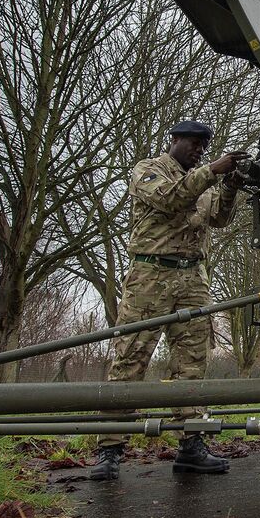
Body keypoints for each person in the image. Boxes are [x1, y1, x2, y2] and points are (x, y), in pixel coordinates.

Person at [90, 120, 248, 481]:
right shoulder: (149, 170)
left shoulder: (202, 179)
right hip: (151, 276)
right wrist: (212, 171)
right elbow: (171, 199)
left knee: (192, 363)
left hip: (193, 277)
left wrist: (231, 186)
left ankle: (192, 444)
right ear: (174, 139)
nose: (199, 149)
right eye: (193, 142)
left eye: (204, 145)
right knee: (130, 358)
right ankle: (110, 449)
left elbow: (219, 218)